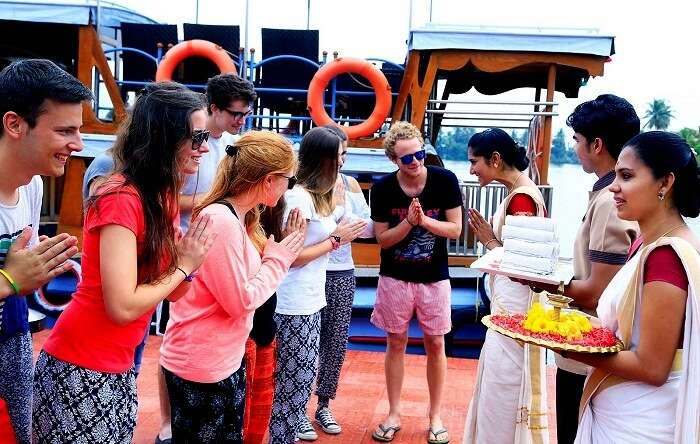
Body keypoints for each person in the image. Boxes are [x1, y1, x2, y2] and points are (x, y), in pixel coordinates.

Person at [32, 81, 215, 443]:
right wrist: (183, 265)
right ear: (165, 138)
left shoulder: (161, 195)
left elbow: (175, 294)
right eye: (196, 138)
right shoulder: (120, 196)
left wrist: (188, 264)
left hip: (117, 367)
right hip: (81, 366)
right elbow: (122, 305)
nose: (204, 148)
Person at [160, 131, 305, 443]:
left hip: (220, 360)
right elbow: (240, 301)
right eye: (288, 180)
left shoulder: (235, 217)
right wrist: (278, 260)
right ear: (269, 180)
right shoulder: (221, 221)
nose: (288, 189)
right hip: (202, 366)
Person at [556, 131, 700, 443]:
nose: (613, 187)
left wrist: (567, 346)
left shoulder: (666, 257)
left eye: (627, 176)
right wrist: (569, 323)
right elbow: (627, 330)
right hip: (621, 410)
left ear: (665, 183)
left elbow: (652, 366)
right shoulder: (644, 244)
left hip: (640, 424)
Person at [515, 94, 640, 443]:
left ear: (597, 144)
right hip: (591, 350)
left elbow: (598, 291)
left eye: (577, 140)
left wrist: (536, 280)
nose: (574, 148)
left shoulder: (609, 202)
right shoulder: (609, 197)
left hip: (588, 354)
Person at [157, 72, 258, 444]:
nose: (240, 120)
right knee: (175, 334)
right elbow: (166, 199)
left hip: (219, 244)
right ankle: (168, 419)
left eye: (246, 114)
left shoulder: (234, 146)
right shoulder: (188, 145)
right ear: (213, 108)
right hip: (183, 247)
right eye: (235, 113)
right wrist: (213, 206)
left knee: (217, 328)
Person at [0, 58, 91, 444]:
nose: (78, 144)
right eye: (64, 130)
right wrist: (9, 279)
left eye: (79, 130)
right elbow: (12, 277)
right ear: (15, 124)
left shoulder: (33, 186)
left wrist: (39, 267)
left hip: (14, 340)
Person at [268, 127, 366, 443]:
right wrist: (337, 238)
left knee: (299, 382)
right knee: (290, 386)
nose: (342, 163)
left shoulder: (315, 197)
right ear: (324, 160)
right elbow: (292, 257)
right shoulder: (298, 197)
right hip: (293, 303)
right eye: (339, 156)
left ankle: (299, 424)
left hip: (309, 300)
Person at [369, 122, 462, 444]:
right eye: (407, 158)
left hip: (434, 278)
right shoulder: (382, 188)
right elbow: (383, 240)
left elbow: (455, 230)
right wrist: (409, 223)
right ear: (395, 160)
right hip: (395, 277)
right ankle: (394, 411)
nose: (416, 162)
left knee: (436, 343)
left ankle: (434, 414)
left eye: (420, 154)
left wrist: (424, 221)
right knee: (396, 342)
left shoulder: (444, 180)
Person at [463, 128, 549, 444]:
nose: (471, 170)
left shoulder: (522, 197)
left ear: (496, 159)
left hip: (513, 316)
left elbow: (522, 266)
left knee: (503, 393)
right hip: (507, 310)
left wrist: (489, 241)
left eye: (475, 162)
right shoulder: (518, 193)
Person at [308, 125, 374, 435]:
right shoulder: (304, 186)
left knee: (334, 342)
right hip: (308, 271)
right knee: (300, 342)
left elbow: (368, 227)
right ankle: (291, 406)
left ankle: (324, 404)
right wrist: (341, 225)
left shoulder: (349, 185)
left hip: (341, 271)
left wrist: (346, 226)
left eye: (345, 154)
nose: (342, 161)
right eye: (338, 155)